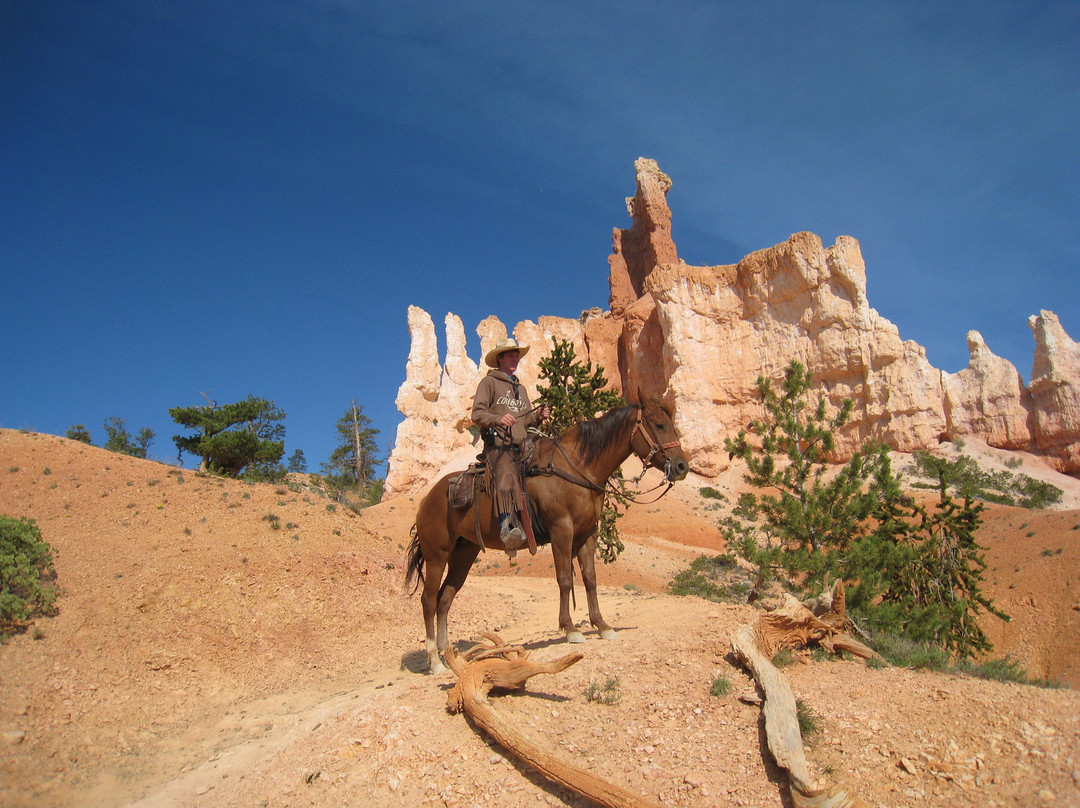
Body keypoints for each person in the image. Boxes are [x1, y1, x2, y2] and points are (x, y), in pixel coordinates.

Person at [471, 337, 550, 552]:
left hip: (524, 445)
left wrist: (539, 416)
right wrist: (497, 419)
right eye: (511, 355)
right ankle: (508, 528)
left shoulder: (520, 389)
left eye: (517, 354)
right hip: (499, 445)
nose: (515, 358)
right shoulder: (489, 383)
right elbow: (477, 413)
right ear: (500, 358)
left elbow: (526, 420)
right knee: (506, 475)